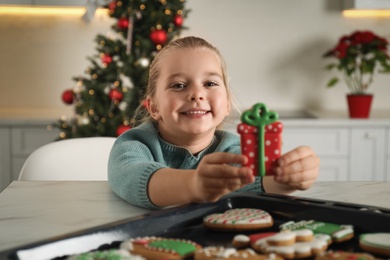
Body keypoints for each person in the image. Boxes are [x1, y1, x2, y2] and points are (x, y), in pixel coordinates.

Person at [108, 36, 320, 210]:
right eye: (179, 85)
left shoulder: (238, 151)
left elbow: (257, 183)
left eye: (210, 83)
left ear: (227, 103)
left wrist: (286, 179)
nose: (197, 94)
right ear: (153, 107)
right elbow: (133, 178)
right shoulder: (133, 145)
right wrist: (194, 185)